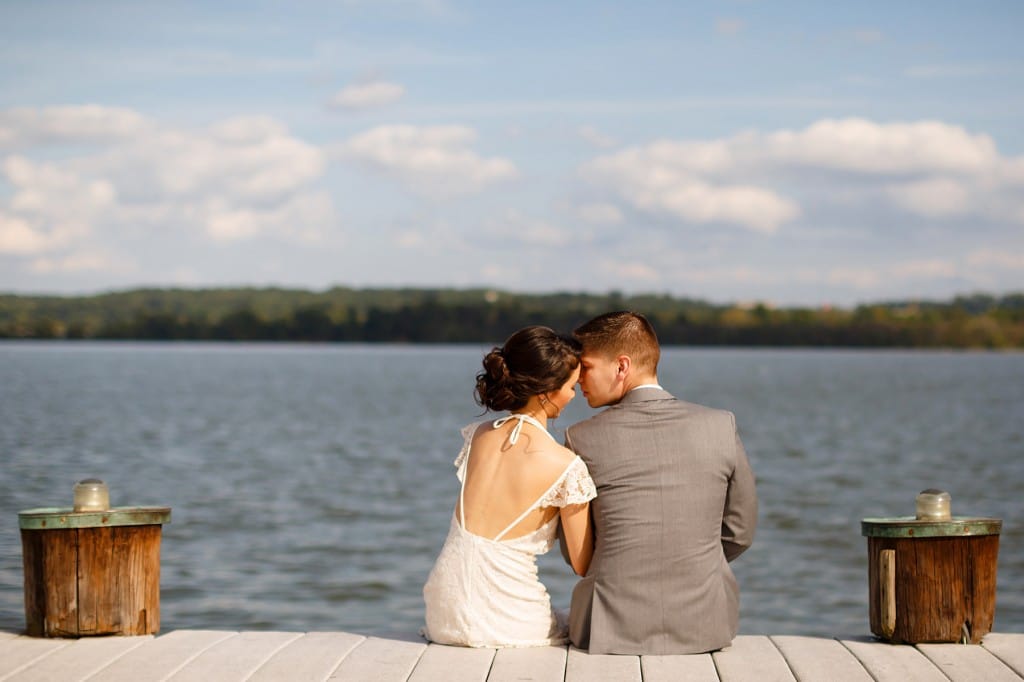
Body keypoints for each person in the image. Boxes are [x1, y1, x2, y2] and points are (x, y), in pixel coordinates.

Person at [561, 311, 758, 654]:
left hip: (607, 629)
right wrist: (689, 565)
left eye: (586, 367)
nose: (578, 380)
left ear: (621, 367)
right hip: (706, 624)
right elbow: (740, 532)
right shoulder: (720, 425)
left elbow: (576, 552)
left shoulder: (580, 438)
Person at [422, 326, 597, 647]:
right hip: (504, 618)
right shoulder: (565, 466)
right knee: (578, 624)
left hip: (443, 613)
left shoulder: (478, 435)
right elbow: (581, 563)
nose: (574, 395)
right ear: (547, 391)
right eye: (572, 387)